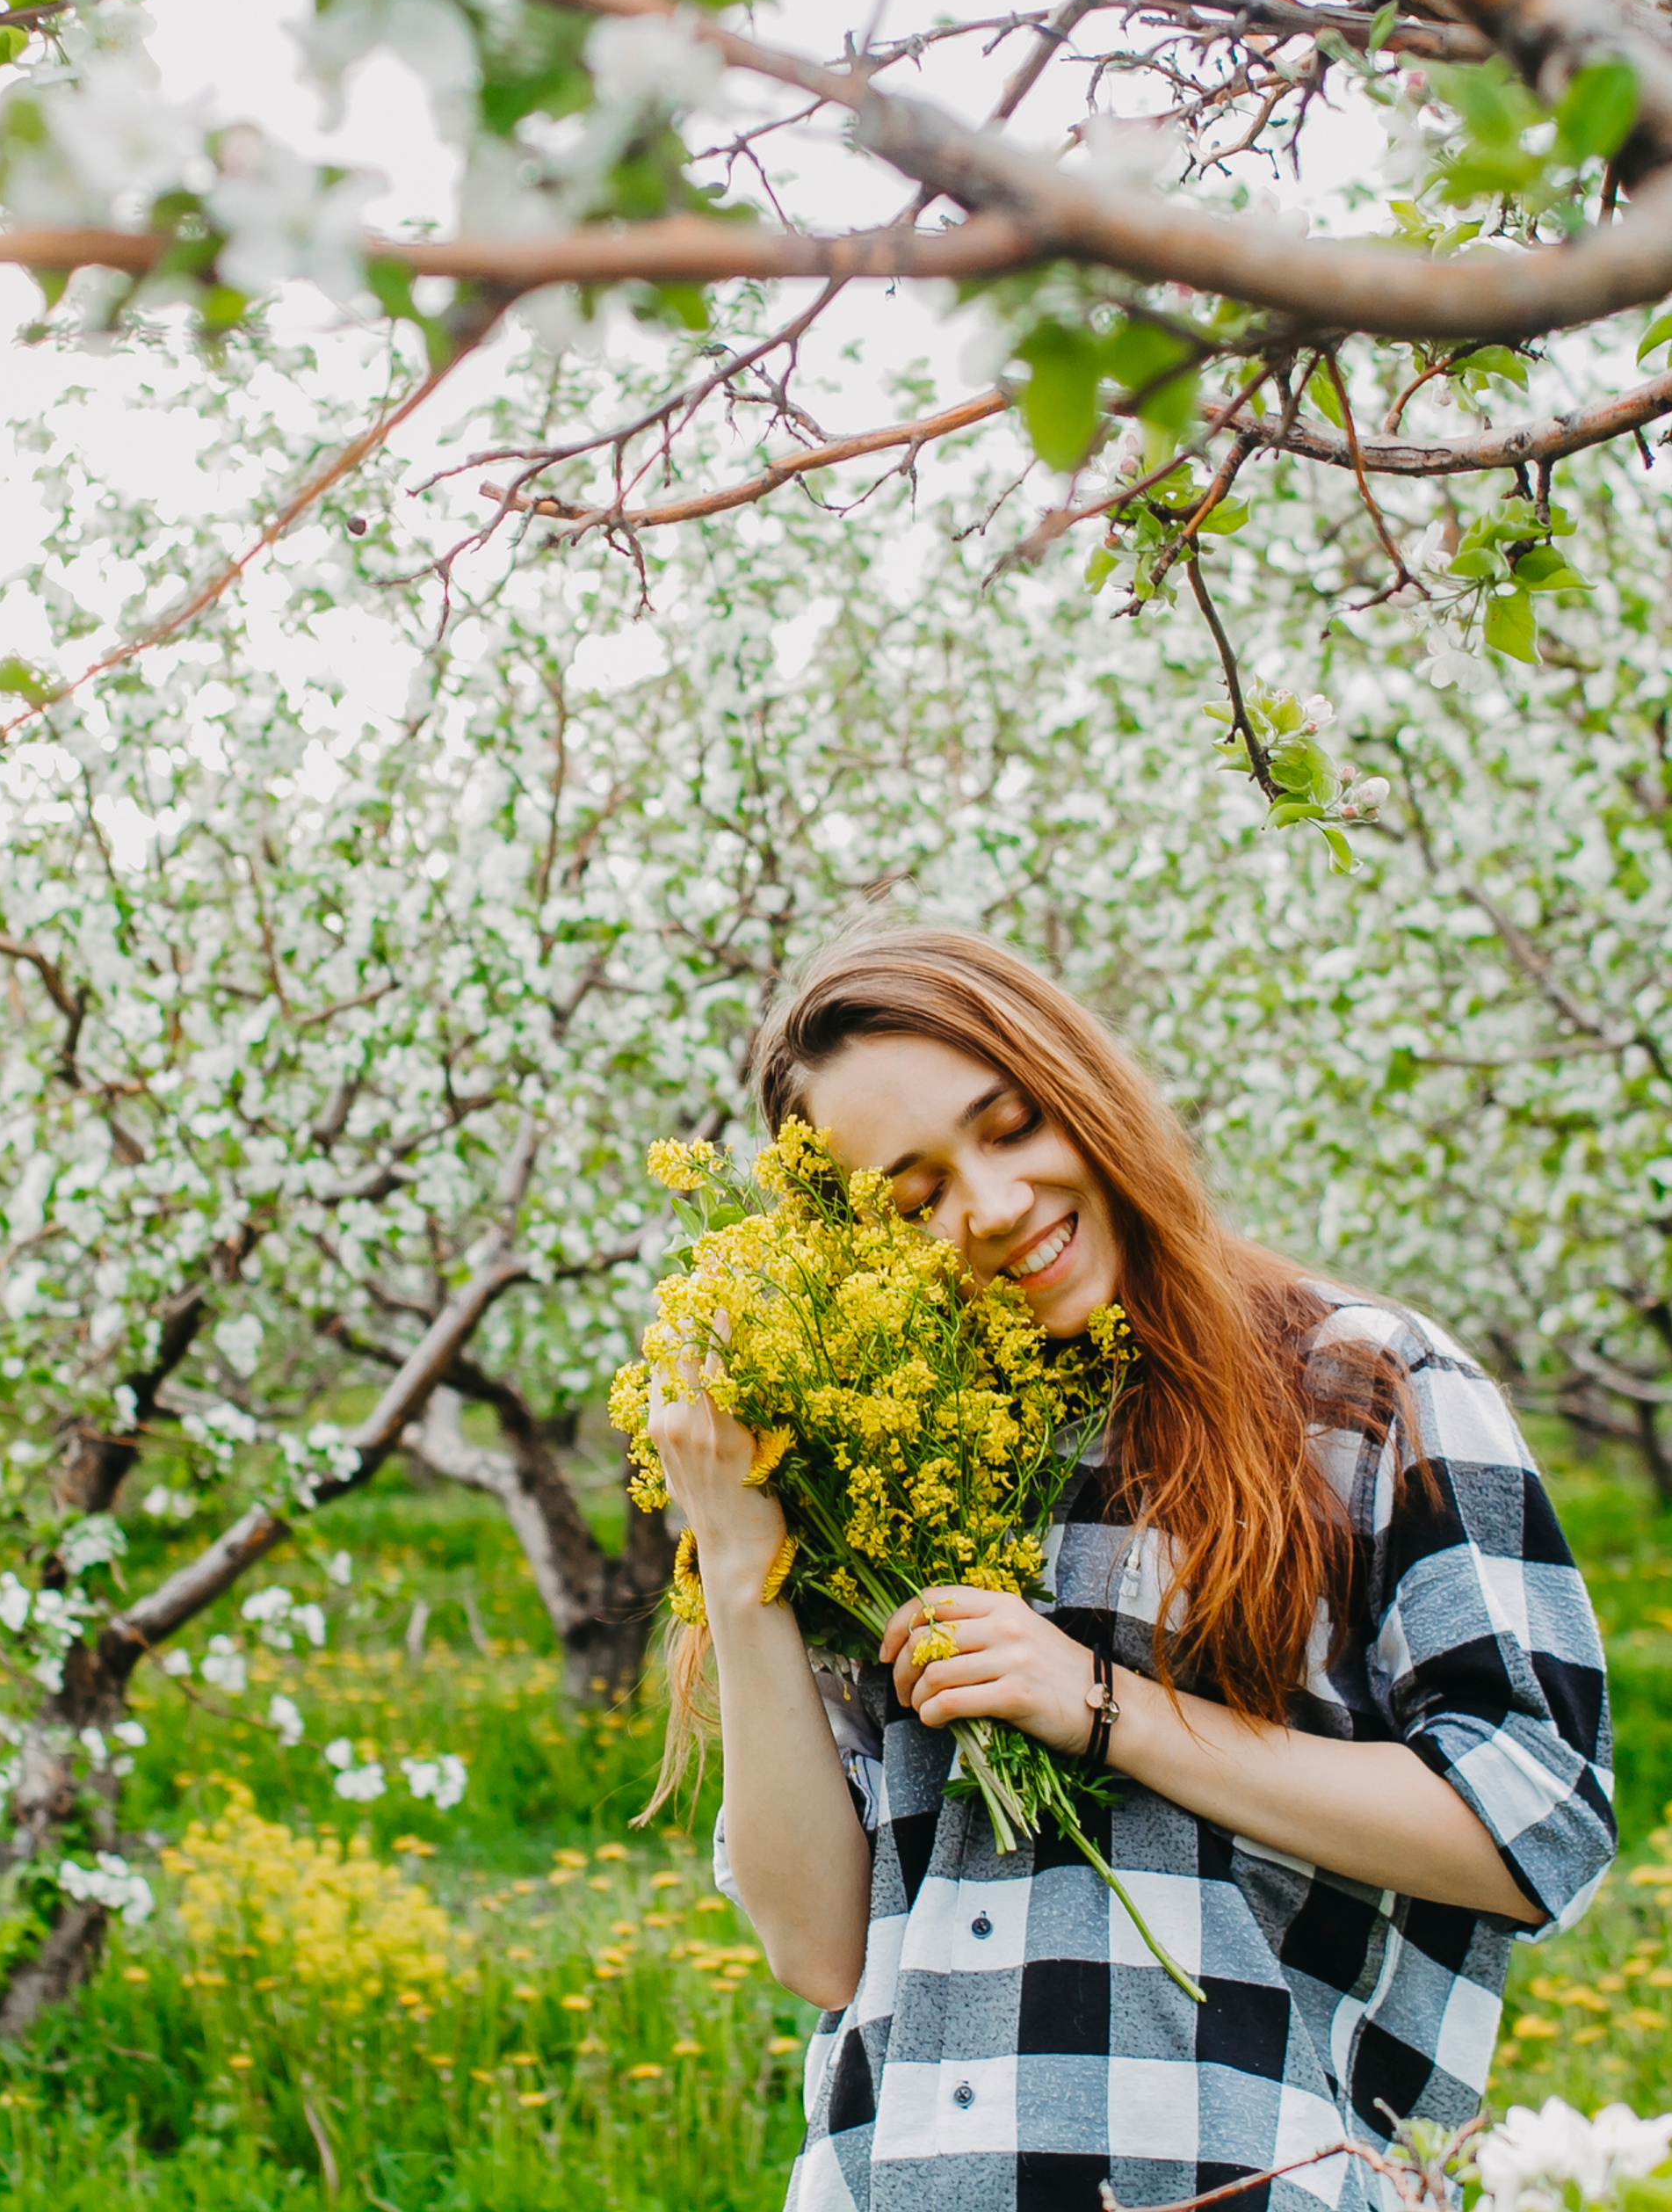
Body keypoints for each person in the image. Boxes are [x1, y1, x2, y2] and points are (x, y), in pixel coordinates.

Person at [646, 922, 1614, 2212]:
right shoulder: (862, 1473)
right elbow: (818, 1947)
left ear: (1083, 1085)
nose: (992, 1209)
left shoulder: (1365, 1390)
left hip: (1255, 2177)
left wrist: (1107, 1712)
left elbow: (1536, 1830)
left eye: (1010, 1126)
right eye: (914, 1198)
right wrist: (737, 1548)